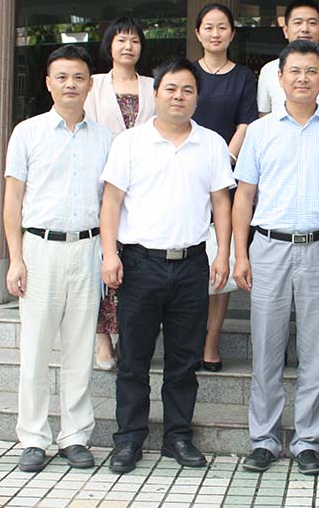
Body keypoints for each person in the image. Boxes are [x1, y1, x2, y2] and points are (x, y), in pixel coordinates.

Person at [99, 57, 235, 474]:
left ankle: (178, 436)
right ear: (155, 94)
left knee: (184, 359)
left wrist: (223, 254)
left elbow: (221, 203)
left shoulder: (211, 143)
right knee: (134, 359)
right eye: (171, 89)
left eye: (188, 90)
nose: (179, 96)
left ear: (197, 97)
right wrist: (109, 253)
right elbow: (112, 202)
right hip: (139, 263)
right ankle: (129, 439)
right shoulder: (130, 142)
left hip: (192, 264)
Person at [233, 39, 319, 476]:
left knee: (315, 349)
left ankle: (308, 440)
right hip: (268, 247)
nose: (303, 78)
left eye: (311, 72)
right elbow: (243, 197)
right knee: (266, 347)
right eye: (295, 71)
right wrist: (240, 254)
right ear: (279, 78)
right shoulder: (259, 131)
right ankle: (264, 439)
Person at [3, 44, 113, 472]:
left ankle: (75, 436)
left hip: (88, 249)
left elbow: (110, 203)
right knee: (34, 349)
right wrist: (16, 259)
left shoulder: (106, 139)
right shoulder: (27, 133)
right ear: (48, 83)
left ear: (90, 84)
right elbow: (13, 199)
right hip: (39, 249)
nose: (71, 84)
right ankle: (33, 438)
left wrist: (109, 254)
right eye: (62, 77)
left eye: (79, 77)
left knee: (80, 348)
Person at [84, 16, 156, 370]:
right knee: (103, 258)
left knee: (134, 262)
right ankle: (102, 339)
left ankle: (130, 335)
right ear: (109, 45)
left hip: (145, 186)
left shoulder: (153, 86)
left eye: (135, 40)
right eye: (121, 40)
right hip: (103, 182)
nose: (128, 46)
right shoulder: (94, 84)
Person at [191, 3, 258, 373]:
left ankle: (211, 343)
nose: (215, 33)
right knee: (189, 260)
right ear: (198, 33)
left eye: (222, 27)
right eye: (208, 27)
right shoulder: (187, 74)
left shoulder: (244, 77)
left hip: (226, 176)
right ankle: (189, 338)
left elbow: (246, 123)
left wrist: (223, 161)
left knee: (221, 258)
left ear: (232, 33)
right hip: (185, 176)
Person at [257, 0, 319, 124]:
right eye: (298, 22)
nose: (305, 29)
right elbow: (264, 119)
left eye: (312, 23)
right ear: (286, 30)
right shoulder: (268, 70)